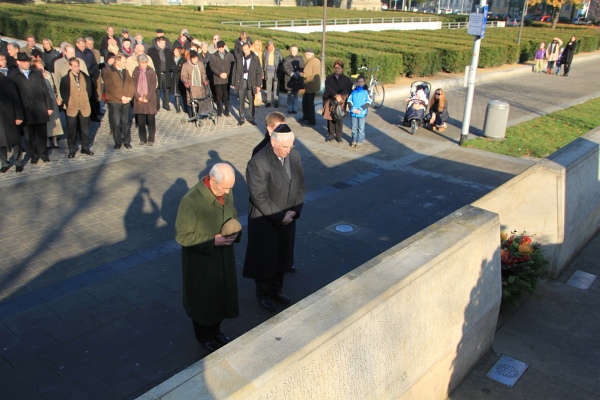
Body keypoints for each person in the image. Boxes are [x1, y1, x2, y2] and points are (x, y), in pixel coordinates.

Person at [175, 162, 241, 352]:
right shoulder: (190, 201)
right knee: (204, 302)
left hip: (223, 258)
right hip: (202, 263)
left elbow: (232, 214)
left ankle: (216, 331)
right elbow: (183, 236)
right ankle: (204, 336)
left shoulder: (225, 191)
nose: (228, 192)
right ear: (212, 181)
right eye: (225, 187)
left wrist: (235, 231)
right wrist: (213, 241)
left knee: (220, 298)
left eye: (230, 187)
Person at [244, 124, 304, 311]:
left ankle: (277, 289)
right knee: (265, 259)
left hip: (288, 217)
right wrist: (280, 217)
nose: (288, 150)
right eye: (285, 147)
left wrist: (295, 210)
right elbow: (259, 196)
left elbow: (300, 185)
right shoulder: (258, 162)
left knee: (283, 257)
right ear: (273, 142)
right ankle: (263, 293)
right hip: (266, 220)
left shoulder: (294, 155)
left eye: (291, 146)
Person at [10, 52, 53, 164]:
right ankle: (34, 155)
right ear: (18, 62)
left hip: (40, 108)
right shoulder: (14, 77)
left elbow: (45, 90)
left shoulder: (36, 73)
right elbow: (13, 97)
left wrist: (49, 106)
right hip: (26, 110)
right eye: (24, 61)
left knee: (41, 134)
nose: (27, 63)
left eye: (28, 61)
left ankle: (43, 153)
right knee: (29, 136)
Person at [59, 58, 94, 158]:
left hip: (84, 105)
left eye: (78, 65)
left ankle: (85, 147)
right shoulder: (65, 79)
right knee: (71, 130)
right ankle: (72, 149)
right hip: (72, 107)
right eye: (74, 66)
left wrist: (85, 100)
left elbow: (89, 92)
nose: (77, 68)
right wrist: (68, 103)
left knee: (85, 129)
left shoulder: (85, 77)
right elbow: (64, 92)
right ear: (70, 66)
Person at [104, 53, 134, 149]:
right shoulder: (108, 71)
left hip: (126, 100)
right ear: (117, 61)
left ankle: (126, 140)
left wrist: (129, 96)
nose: (125, 63)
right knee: (116, 122)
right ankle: (117, 141)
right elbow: (110, 87)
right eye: (124, 62)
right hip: (115, 101)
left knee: (126, 121)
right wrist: (121, 97)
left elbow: (131, 85)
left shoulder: (126, 71)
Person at [32, 59, 63, 149]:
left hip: (53, 99)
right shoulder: (36, 77)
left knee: (55, 121)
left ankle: (54, 140)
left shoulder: (50, 75)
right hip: (43, 101)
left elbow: (57, 86)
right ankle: (46, 141)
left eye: (41, 65)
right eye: (38, 66)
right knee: (46, 122)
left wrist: (59, 98)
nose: (40, 67)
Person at [322, 59, 353, 143]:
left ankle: (339, 136)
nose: (337, 69)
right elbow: (328, 88)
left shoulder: (347, 79)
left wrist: (341, 96)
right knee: (330, 117)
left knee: (339, 117)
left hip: (341, 100)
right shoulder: (329, 78)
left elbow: (348, 89)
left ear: (342, 69)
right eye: (335, 68)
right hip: (331, 99)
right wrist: (335, 95)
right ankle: (331, 134)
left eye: (339, 68)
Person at [232, 43, 262, 126]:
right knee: (241, 100)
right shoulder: (239, 57)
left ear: (250, 48)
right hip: (242, 81)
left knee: (251, 100)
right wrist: (234, 82)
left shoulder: (255, 58)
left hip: (251, 81)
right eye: (243, 49)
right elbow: (235, 70)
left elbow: (259, 72)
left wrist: (259, 85)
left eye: (246, 49)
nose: (245, 51)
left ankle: (251, 117)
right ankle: (241, 118)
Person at [0, 72, 24, 173]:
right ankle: (4, 163)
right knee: (1, 142)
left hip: (10, 115)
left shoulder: (9, 82)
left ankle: (18, 162)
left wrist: (19, 116)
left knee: (15, 140)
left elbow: (17, 100)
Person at [132, 54, 158, 146]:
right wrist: (137, 96)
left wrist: (147, 98)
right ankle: (143, 138)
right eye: (142, 63)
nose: (144, 65)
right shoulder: (135, 72)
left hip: (149, 99)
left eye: (145, 63)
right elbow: (133, 86)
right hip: (139, 99)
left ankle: (151, 138)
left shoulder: (151, 72)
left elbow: (153, 86)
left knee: (151, 120)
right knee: (141, 121)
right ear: (139, 63)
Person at [148, 36, 175, 112]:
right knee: (157, 90)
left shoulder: (168, 51)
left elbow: (171, 61)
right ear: (157, 42)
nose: (163, 44)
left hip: (166, 74)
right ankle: (157, 106)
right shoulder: (151, 51)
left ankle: (166, 105)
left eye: (164, 43)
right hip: (157, 73)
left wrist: (172, 68)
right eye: (162, 43)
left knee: (167, 90)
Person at [209, 40, 235, 118]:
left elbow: (232, 65)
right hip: (218, 79)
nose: (221, 49)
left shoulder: (229, 55)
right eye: (219, 47)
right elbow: (212, 67)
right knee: (218, 96)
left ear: (224, 46)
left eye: (222, 47)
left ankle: (227, 111)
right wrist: (219, 74)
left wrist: (227, 73)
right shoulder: (213, 56)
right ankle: (219, 111)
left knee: (226, 96)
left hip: (226, 79)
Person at [180, 50, 209, 119]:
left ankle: (201, 113)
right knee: (191, 100)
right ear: (190, 58)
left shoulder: (200, 63)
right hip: (191, 87)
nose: (195, 60)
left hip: (200, 86)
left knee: (201, 100)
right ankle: (192, 115)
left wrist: (204, 80)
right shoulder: (186, 65)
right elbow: (183, 76)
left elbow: (203, 73)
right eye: (193, 59)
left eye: (196, 58)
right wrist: (185, 82)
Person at [348, 74, 372, 148]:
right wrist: (353, 109)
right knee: (353, 127)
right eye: (358, 81)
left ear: (364, 82)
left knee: (361, 128)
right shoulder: (353, 91)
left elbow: (368, 102)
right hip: (354, 113)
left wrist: (360, 109)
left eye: (361, 81)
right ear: (356, 82)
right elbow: (349, 100)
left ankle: (360, 140)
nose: (360, 83)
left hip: (362, 113)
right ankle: (354, 139)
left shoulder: (366, 92)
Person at [299, 48, 321, 126]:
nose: (305, 55)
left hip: (309, 85)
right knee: (308, 102)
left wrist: (299, 74)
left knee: (308, 103)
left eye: (305, 54)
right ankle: (306, 117)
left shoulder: (310, 61)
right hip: (314, 85)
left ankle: (310, 119)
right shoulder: (317, 60)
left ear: (308, 54)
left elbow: (306, 74)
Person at [282, 45, 304, 115]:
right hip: (289, 78)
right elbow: (285, 67)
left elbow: (302, 66)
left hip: (297, 78)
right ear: (290, 51)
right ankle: (289, 108)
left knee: (296, 95)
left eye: (295, 50)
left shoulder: (300, 58)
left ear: (297, 51)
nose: (294, 51)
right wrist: (292, 73)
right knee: (289, 94)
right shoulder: (287, 58)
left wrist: (298, 73)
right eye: (293, 50)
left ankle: (295, 108)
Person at [262, 40, 283, 108]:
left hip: (276, 71)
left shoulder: (278, 52)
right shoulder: (265, 52)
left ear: (273, 45)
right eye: (268, 48)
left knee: (276, 87)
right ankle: (268, 101)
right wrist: (263, 72)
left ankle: (276, 101)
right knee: (268, 86)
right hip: (268, 71)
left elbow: (281, 62)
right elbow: (263, 63)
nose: (270, 49)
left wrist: (280, 71)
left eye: (271, 47)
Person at [171, 46, 186, 113]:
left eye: (176, 51)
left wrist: (175, 68)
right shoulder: (172, 59)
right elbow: (170, 67)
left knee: (183, 93)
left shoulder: (183, 59)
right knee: (176, 93)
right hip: (174, 77)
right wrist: (176, 68)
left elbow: (182, 68)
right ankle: (177, 108)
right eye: (174, 51)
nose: (174, 52)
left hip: (181, 77)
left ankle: (185, 107)